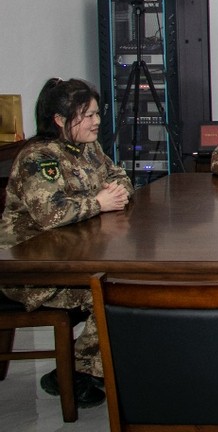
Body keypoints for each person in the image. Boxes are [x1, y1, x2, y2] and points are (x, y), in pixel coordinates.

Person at [0, 78, 133, 408]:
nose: (97, 121)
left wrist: (115, 193)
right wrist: (99, 202)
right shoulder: (38, 158)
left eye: (96, 113)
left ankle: (93, 370)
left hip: (77, 252)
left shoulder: (88, 148)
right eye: (87, 115)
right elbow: (51, 213)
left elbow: (119, 176)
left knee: (126, 286)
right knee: (112, 292)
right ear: (60, 119)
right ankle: (75, 373)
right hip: (34, 269)